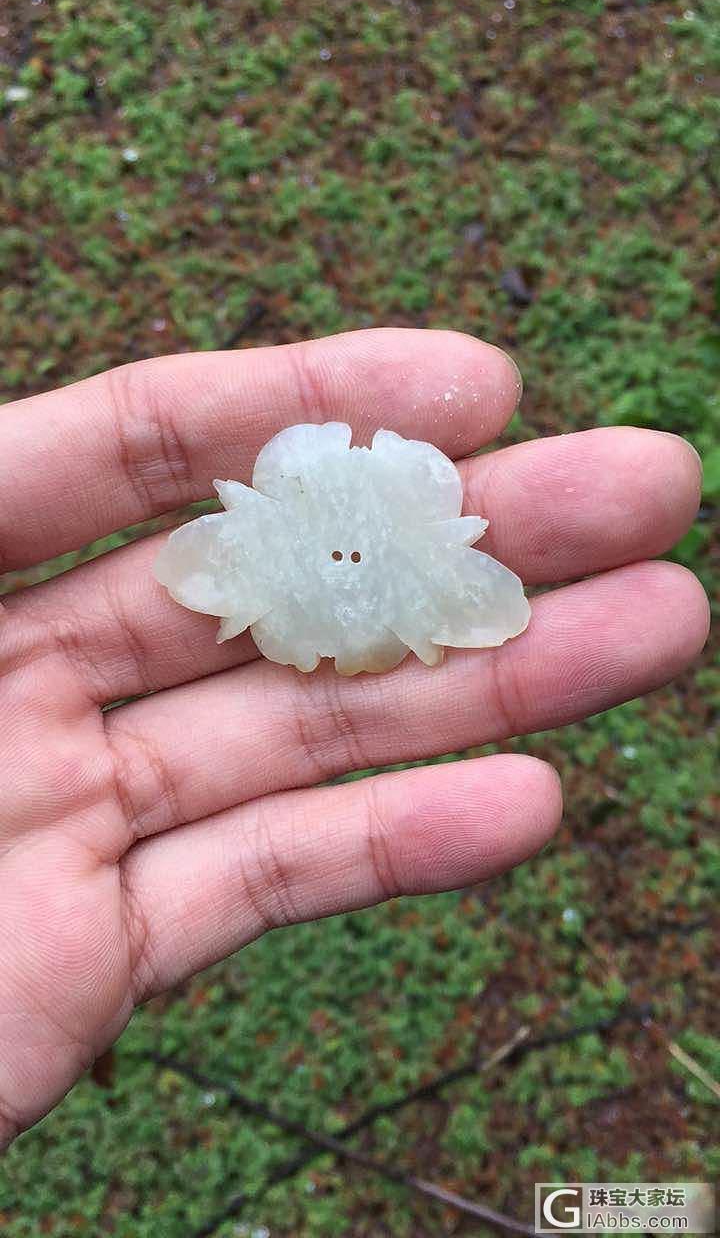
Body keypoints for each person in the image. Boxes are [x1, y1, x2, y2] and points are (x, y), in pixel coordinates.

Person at [0, 328, 709, 1149]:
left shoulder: (420, 558)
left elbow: (479, 603)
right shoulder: (269, 546)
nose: (344, 558)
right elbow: (203, 568)